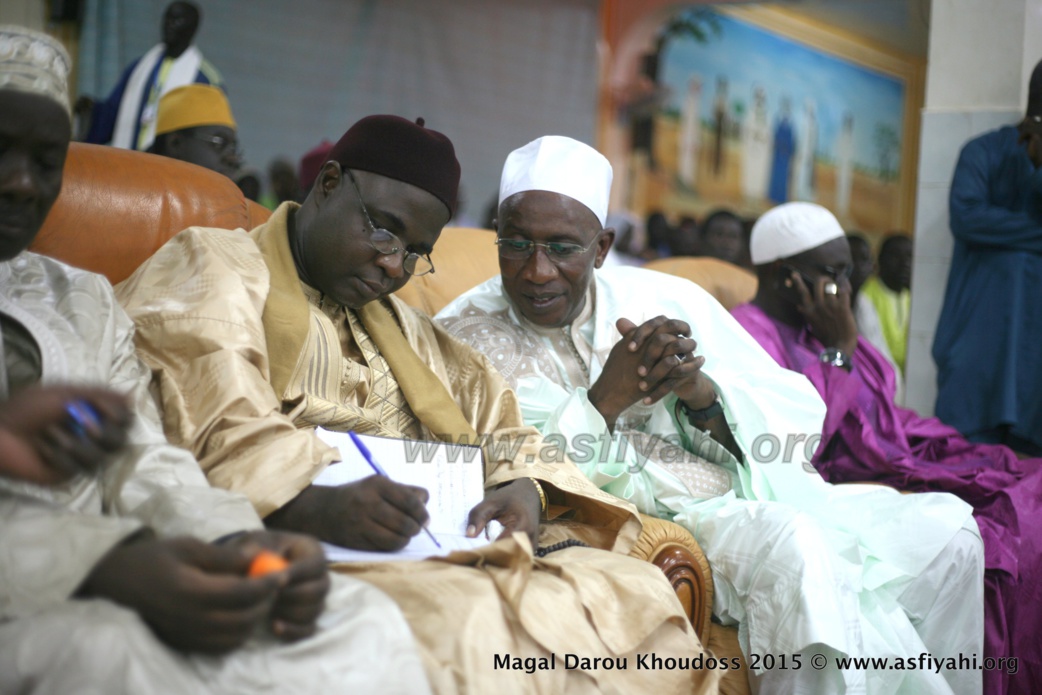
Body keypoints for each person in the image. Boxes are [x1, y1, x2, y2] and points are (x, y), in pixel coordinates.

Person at [114, 115, 714, 694]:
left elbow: (498, 421)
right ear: (328, 184)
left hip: (426, 536)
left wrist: (525, 490)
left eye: (414, 252)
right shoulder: (216, 266)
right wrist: (311, 504)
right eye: (383, 229)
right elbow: (209, 409)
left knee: (635, 593)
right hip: (293, 529)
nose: (392, 265)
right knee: (479, 626)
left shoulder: (409, 329)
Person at [436, 136, 986, 695]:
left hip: (756, 487)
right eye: (516, 243)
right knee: (794, 546)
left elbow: (783, 416)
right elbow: (505, 459)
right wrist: (608, 398)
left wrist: (699, 394)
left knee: (952, 536)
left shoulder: (660, 296)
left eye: (562, 248)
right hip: (662, 516)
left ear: (601, 247)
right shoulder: (467, 332)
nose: (537, 271)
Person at [0, 25, 430, 694]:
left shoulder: (78, 297)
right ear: (329, 187)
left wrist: (236, 548)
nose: (22, 183)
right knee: (104, 649)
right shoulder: (213, 263)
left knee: (360, 621)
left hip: (130, 567)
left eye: (45, 158)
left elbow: (145, 457)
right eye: (0, 150)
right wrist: (104, 565)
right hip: (48, 587)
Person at [732, 201, 1042, 694]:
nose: (845, 289)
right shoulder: (748, 333)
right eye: (830, 273)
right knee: (1002, 533)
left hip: (896, 459)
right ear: (783, 275)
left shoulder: (820, 324)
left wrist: (955, 447)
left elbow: (884, 415)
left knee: (1028, 484)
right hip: (840, 482)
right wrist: (840, 348)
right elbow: (798, 437)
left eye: (848, 273)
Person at [933, 61, 1042, 456]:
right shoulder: (983, 151)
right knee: (959, 474)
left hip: (1033, 356)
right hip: (978, 344)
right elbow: (966, 218)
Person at [77, 2, 223, 151]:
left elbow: (207, 136)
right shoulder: (139, 67)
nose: (169, 25)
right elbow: (112, 114)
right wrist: (91, 112)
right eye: (167, 19)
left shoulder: (205, 80)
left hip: (169, 169)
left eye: (177, 21)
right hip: (129, 162)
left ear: (192, 29)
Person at [148, 83, 241, 179]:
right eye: (219, 142)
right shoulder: (135, 189)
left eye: (233, 148)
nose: (233, 159)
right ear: (175, 143)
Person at [858, 233, 911, 374]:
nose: (904, 263)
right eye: (896, 256)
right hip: (879, 375)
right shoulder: (865, 295)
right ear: (880, 260)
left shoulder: (914, 297)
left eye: (910, 256)